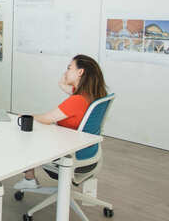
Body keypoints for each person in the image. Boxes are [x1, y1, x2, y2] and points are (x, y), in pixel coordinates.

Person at [13, 54, 108, 191]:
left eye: (69, 68)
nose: (65, 72)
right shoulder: (95, 94)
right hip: (89, 152)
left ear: (80, 72)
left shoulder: (77, 101)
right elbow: (71, 91)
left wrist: (24, 116)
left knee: (27, 134)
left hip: (70, 154)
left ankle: (29, 179)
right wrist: (63, 83)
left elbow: (46, 119)